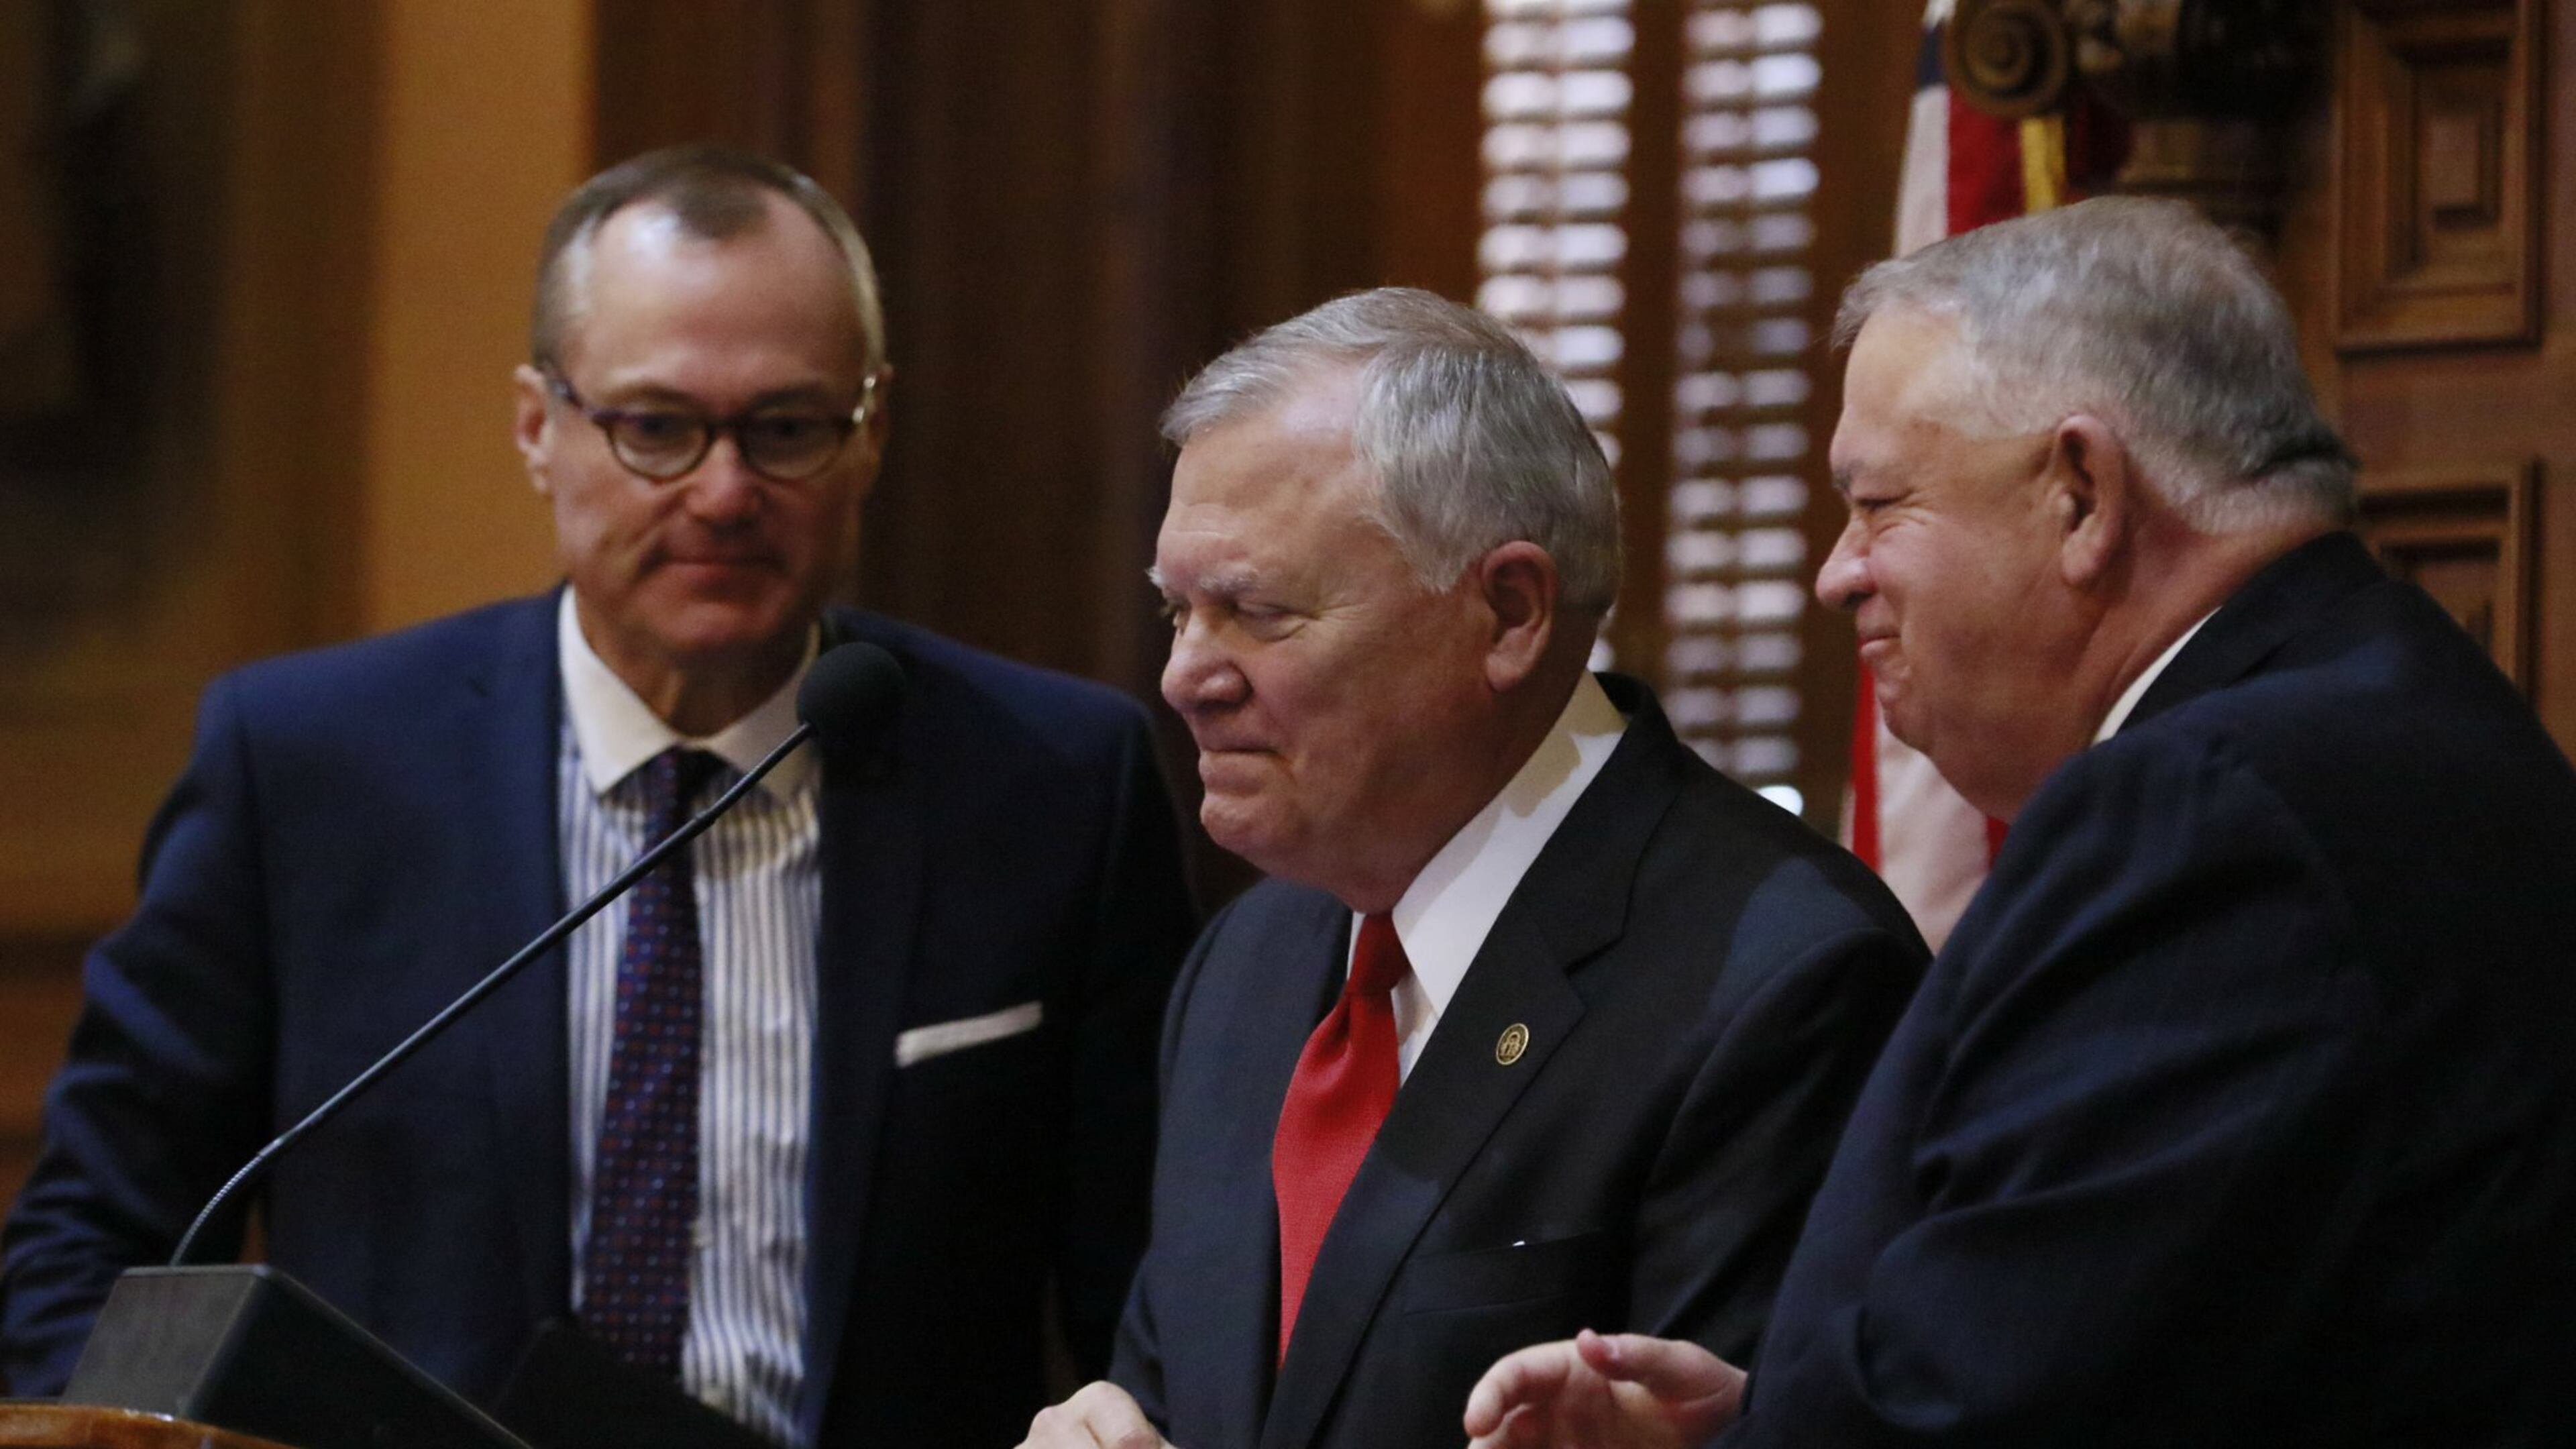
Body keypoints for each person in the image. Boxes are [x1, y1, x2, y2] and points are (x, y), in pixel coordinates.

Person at [0, 146, 1198, 1448]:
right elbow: (95, 1247)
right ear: (538, 426)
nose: (724, 492)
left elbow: (1152, 1291)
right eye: (657, 427)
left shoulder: (1048, 781)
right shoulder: (307, 770)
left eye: (787, 428)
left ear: (873, 431)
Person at [1464, 197, 2576, 1448]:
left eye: (1879, 503)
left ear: (2083, 495)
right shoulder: (2384, 706)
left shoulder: (2206, 810)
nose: (1837, 572)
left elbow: (1990, 1413)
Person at [1020, 288, 1927, 1449]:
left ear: (1508, 613)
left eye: (1253, 611)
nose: (1187, 676)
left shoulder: (1786, 982)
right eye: (1178, 612)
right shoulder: (1243, 965)